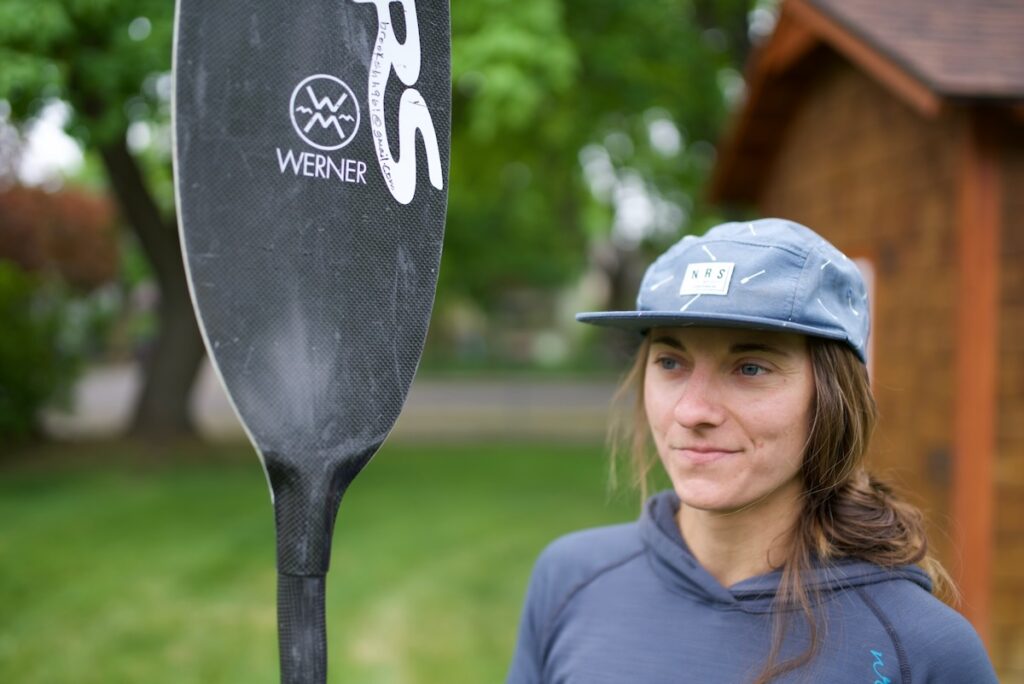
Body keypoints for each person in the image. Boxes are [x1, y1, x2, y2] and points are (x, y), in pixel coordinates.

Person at [507, 219, 998, 683]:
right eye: (671, 361)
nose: (692, 411)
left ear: (833, 400)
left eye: (750, 368)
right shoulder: (568, 582)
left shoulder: (921, 648)